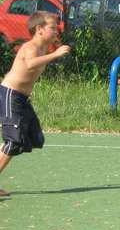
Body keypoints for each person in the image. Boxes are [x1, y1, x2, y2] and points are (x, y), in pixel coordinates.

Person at [0, 11, 71, 197]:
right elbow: (30, 64)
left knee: (34, 138)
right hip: (11, 95)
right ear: (39, 29)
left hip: (21, 99)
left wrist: (55, 46)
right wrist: (55, 54)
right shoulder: (30, 47)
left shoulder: (43, 47)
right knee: (14, 142)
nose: (56, 30)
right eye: (52, 27)